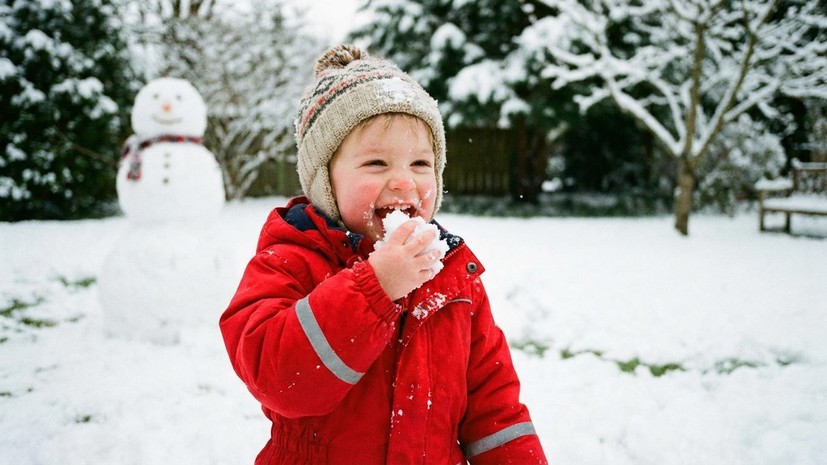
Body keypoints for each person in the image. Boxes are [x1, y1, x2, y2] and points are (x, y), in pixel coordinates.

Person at [219, 44, 547, 465]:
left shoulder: (452, 278)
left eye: (420, 164)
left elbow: (496, 411)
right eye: (376, 163)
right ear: (325, 182)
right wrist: (374, 286)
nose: (403, 182)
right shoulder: (290, 260)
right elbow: (280, 381)